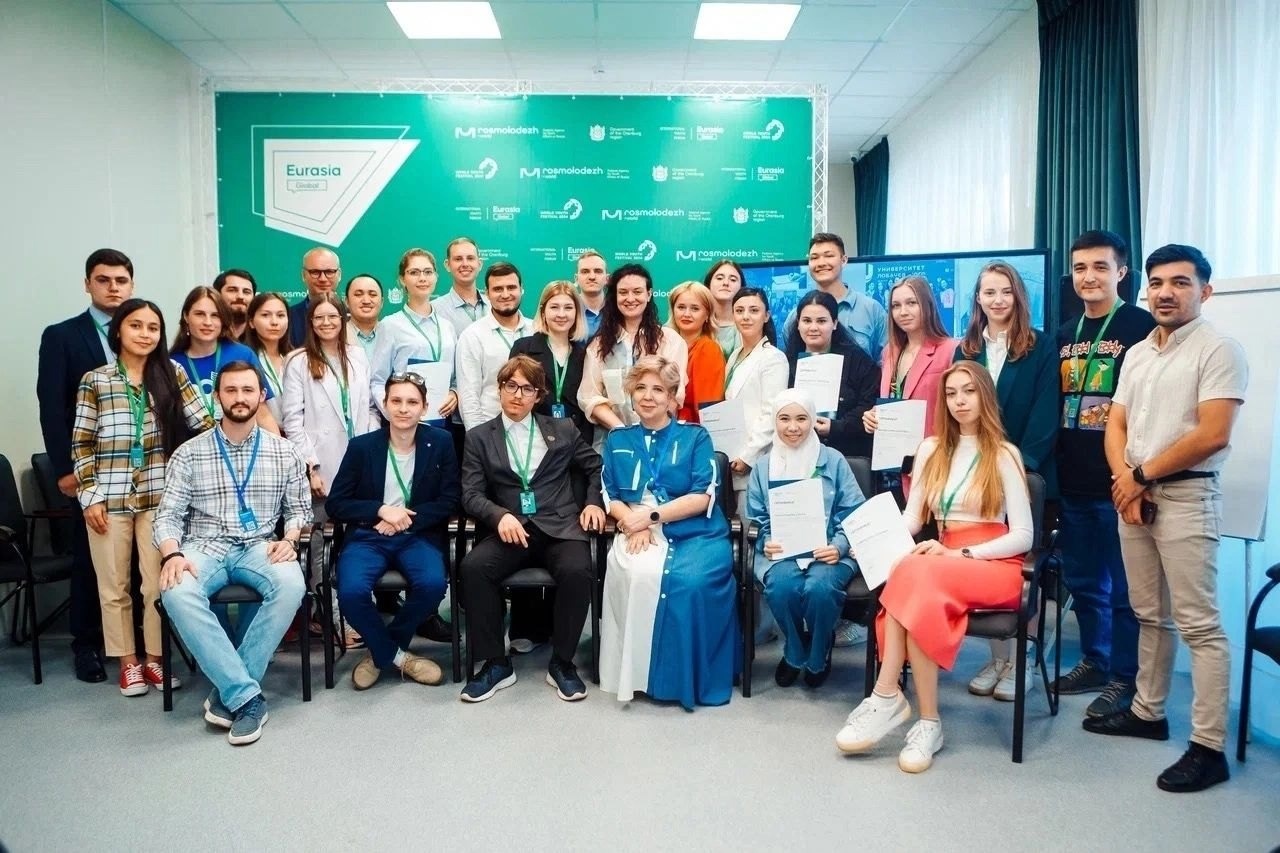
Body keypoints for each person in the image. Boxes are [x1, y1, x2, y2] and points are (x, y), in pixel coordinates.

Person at [1084, 244, 1246, 794]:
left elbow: (1212, 434)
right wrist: (1126, 482)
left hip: (1186, 498)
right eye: (1157, 283)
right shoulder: (1138, 353)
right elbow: (1115, 424)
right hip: (1135, 496)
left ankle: (1208, 747)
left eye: (1180, 282)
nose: (1165, 293)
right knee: (1149, 614)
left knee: (1200, 625)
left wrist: (1139, 476)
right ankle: (1147, 712)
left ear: (1205, 290)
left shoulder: (1219, 349)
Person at [835, 361, 1034, 773]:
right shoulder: (930, 449)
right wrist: (870, 538)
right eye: (951, 393)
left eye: (969, 391)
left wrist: (962, 555)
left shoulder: (1005, 454)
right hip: (941, 561)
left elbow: (1024, 536)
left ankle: (886, 695)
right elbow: (912, 518)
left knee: (912, 573)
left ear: (985, 396)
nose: (960, 401)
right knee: (913, 578)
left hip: (993, 562)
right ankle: (928, 723)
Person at [154, 361, 310, 746]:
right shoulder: (189, 454)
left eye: (247, 390)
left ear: (261, 396)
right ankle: (246, 696)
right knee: (176, 591)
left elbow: (299, 510)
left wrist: (290, 538)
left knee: (292, 585)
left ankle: (231, 690)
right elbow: (168, 516)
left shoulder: (284, 452)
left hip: (260, 545)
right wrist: (172, 555)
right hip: (203, 547)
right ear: (217, 396)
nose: (240, 398)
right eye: (231, 390)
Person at [71, 299, 213, 695]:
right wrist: (90, 496)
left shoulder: (172, 373)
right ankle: (128, 663)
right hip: (108, 499)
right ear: (118, 330)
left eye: (153, 327)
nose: (145, 334)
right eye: (136, 326)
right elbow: (81, 444)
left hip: (158, 497)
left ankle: (154, 660)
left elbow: (204, 424)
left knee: (157, 584)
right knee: (114, 586)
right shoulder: (95, 380)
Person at [457, 355, 606, 703]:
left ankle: (562, 663)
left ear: (538, 395)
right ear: (499, 389)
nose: (517, 395)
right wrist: (498, 516)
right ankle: (496, 663)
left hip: (560, 526)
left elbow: (596, 467)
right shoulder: (479, 438)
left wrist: (593, 503)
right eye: (511, 386)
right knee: (474, 568)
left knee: (578, 569)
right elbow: (470, 494)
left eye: (527, 389)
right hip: (512, 529)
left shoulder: (563, 429)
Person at [1051, 230, 1156, 719]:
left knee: (1125, 591)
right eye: (1080, 268)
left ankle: (1125, 677)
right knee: (1084, 582)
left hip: (1120, 482)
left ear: (1121, 272)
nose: (1088, 277)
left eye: (1100, 266)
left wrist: (1138, 476)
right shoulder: (1064, 333)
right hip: (1073, 480)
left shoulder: (1142, 327)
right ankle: (1095, 661)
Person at [600, 356, 738, 709]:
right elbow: (609, 494)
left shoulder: (696, 436)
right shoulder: (617, 439)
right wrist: (631, 523)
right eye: (640, 388)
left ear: (673, 397)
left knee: (690, 584)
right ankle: (637, 676)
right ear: (630, 394)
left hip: (695, 531)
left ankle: (680, 680)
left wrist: (649, 518)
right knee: (636, 572)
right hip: (634, 525)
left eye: (658, 389)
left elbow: (702, 495)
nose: (648, 396)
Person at [953, 260, 1058, 700]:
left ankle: (1023, 661)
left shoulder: (1040, 346)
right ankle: (998, 659)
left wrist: (1017, 465)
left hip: (1024, 470)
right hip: (976, 474)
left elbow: (1046, 414)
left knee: (1021, 568)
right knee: (985, 562)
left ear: (1018, 295)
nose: (997, 300)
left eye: (1005, 291)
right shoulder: (967, 349)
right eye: (988, 292)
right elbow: (958, 410)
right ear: (977, 299)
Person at [37, 247, 135, 682]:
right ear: (87, 284)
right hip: (89, 468)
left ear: (131, 285)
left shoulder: (141, 332)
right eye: (103, 280)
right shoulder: (62, 336)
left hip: (137, 470)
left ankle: (131, 644)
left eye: (121, 280)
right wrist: (66, 469)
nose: (113, 288)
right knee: (91, 560)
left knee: (134, 560)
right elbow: (51, 407)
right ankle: (87, 645)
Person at [326, 373, 459, 690]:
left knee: (433, 585)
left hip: (417, 534)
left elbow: (451, 499)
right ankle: (400, 658)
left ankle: (380, 652)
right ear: (385, 405)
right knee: (351, 593)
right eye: (396, 401)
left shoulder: (441, 442)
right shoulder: (362, 447)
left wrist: (405, 519)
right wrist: (380, 510)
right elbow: (336, 503)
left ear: (424, 407)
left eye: (412, 402)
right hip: (369, 535)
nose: (403, 408)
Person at [747, 389, 865, 688]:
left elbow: (855, 511)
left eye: (801, 418)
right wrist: (765, 540)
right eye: (784, 419)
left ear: (813, 420)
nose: (793, 427)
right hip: (782, 551)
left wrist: (839, 546)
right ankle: (795, 650)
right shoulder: (763, 466)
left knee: (819, 589)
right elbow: (756, 516)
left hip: (829, 550)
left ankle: (819, 651)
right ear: (775, 422)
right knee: (781, 587)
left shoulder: (833, 460)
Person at [282, 293, 376, 521]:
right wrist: (310, 467)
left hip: (360, 456)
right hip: (322, 462)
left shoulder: (357, 355)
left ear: (343, 318)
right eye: (319, 317)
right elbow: (292, 421)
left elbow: (371, 408)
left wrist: (372, 445)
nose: (326, 323)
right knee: (322, 528)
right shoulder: (298, 361)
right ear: (310, 322)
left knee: (360, 527)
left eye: (332, 316)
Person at [579, 264, 688, 437]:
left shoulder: (671, 341)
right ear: (615, 296)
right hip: (613, 439)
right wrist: (624, 432)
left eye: (637, 292)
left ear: (649, 294)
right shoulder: (598, 345)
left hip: (661, 438)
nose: (630, 298)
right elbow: (590, 397)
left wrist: (649, 431)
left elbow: (675, 393)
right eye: (623, 292)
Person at [171, 285, 281, 435]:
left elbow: (262, 413)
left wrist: (279, 447)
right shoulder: (173, 363)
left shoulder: (242, 354)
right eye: (200, 314)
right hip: (190, 446)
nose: (208, 322)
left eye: (215, 315)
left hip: (242, 444)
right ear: (186, 316)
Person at [862, 275, 955, 450]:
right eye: (896, 306)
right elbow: (895, 398)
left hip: (934, 454)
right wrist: (874, 415)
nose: (903, 312)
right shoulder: (889, 352)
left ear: (927, 305)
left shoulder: (950, 350)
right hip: (892, 454)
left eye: (911, 303)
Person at [369, 249, 460, 429]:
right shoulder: (390, 325)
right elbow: (378, 380)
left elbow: (457, 375)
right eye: (414, 272)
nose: (422, 278)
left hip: (443, 419)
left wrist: (454, 393)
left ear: (436, 277)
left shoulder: (447, 326)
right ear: (402, 279)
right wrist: (394, 413)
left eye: (428, 272)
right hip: (404, 422)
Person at [783, 290, 879, 459]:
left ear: (834, 323)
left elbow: (868, 406)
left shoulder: (859, 361)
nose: (813, 327)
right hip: (797, 453)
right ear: (798, 324)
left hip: (848, 455)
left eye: (821, 321)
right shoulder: (785, 363)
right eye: (806, 321)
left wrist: (836, 427)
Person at [723, 287, 789, 515]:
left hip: (756, 458)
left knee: (751, 524)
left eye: (754, 310)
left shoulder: (773, 358)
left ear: (766, 315)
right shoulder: (734, 355)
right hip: (732, 455)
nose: (746, 316)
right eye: (739, 310)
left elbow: (772, 412)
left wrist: (748, 456)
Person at [779, 233, 888, 363]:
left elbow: (886, 363)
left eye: (829, 256)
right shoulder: (794, 317)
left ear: (844, 260)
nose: (821, 263)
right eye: (814, 258)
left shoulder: (872, 310)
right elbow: (789, 361)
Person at [510, 281, 593, 443]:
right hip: (532, 439)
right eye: (554, 307)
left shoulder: (585, 354)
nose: (561, 314)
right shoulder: (523, 349)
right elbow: (513, 397)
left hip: (576, 441)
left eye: (568, 308)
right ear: (543, 312)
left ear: (577, 313)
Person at [456, 262, 533, 430]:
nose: (505, 294)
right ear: (487, 294)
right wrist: (479, 439)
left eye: (511, 287)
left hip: (533, 431)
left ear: (521, 289)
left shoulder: (536, 330)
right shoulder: (472, 336)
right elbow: (469, 397)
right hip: (491, 430)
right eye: (498, 289)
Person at [667, 281, 725, 424]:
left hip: (691, 429)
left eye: (695, 308)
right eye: (681, 307)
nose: (686, 314)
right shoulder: (665, 344)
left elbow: (707, 408)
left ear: (707, 315)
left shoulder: (708, 349)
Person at [242, 292, 292, 428]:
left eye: (280, 315)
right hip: (261, 433)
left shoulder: (296, 358)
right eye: (265, 315)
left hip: (297, 433)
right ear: (251, 322)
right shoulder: (245, 360)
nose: (274, 322)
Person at [430, 236, 488, 339]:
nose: (465, 264)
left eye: (470, 258)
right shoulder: (433, 310)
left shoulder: (495, 305)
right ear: (447, 265)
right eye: (458, 259)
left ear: (479, 264)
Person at [290, 247, 343, 348]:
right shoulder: (288, 317)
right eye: (315, 272)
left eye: (329, 272)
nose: (323, 278)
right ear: (303, 275)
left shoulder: (352, 316)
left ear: (339, 275)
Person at [703, 259, 744, 357]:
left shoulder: (749, 323)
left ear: (741, 287)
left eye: (733, 280)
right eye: (719, 278)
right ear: (708, 284)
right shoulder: (695, 321)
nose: (726, 283)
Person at [344, 273, 383, 360]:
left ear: (382, 302)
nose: (366, 301)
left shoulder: (393, 334)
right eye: (358, 294)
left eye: (373, 295)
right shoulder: (336, 335)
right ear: (347, 301)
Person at [213, 268, 257, 342]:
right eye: (232, 290)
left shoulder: (262, 337)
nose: (240, 296)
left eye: (246, 292)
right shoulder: (206, 335)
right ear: (217, 294)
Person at [574, 248, 608, 339]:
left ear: (607, 279)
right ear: (576, 279)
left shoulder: (618, 310)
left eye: (598, 271)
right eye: (585, 272)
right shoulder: (567, 311)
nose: (592, 277)